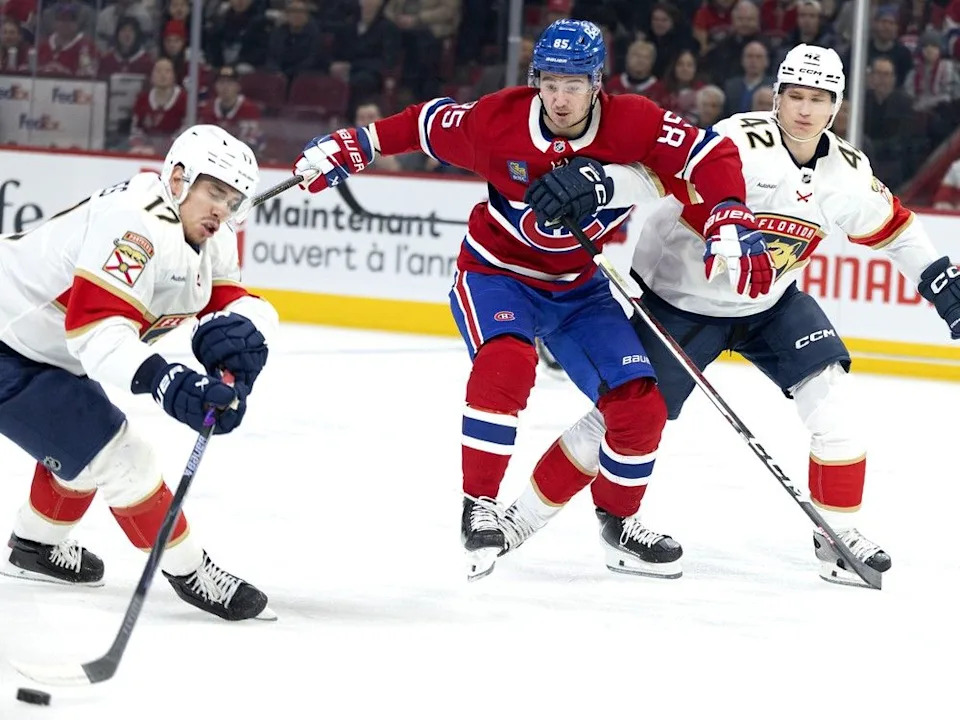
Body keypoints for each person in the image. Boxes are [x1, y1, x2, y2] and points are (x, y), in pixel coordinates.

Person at [292, 18, 772, 580]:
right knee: (509, 362)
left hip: (579, 289)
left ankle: (619, 525)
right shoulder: (499, 119)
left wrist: (729, 208)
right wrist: (352, 145)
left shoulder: (634, 121)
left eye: (574, 83)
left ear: (598, 83)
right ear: (535, 79)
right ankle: (481, 505)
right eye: (549, 81)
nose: (560, 97)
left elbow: (708, 153)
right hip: (497, 275)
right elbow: (424, 123)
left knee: (642, 405)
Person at [501, 45, 960, 588]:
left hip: (772, 305)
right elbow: (656, 174)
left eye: (818, 100)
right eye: (795, 97)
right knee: (622, 420)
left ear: (835, 106)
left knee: (834, 404)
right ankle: (520, 521)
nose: (805, 110)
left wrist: (942, 284)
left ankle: (837, 534)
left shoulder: (847, 172)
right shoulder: (739, 142)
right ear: (776, 97)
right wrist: (599, 185)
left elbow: (899, 230)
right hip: (680, 304)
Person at [0, 125, 278, 621]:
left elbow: (226, 305)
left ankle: (35, 547)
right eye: (214, 191)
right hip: (7, 345)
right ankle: (190, 570)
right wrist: (168, 382)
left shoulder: (212, 235)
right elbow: (96, 333)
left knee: (80, 449)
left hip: (41, 351)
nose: (223, 208)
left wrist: (240, 348)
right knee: (121, 455)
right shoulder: (133, 226)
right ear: (177, 179)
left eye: (234, 198)